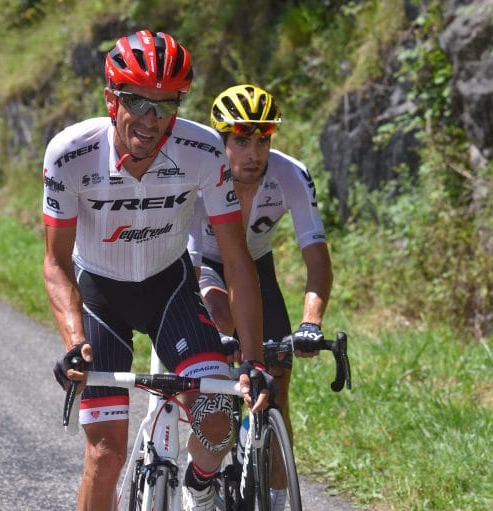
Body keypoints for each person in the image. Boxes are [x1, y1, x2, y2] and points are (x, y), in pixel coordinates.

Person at [42, 30, 270, 511]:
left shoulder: (203, 150)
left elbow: (234, 258)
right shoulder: (70, 154)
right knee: (106, 455)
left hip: (171, 291)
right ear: (111, 99)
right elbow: (57, 262)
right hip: (101, 297)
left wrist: (252, 360)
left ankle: (198, 485)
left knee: (216, 422)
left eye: (167, 105)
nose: (152, 120)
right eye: (138, 103)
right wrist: (72, 340)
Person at [188, 84, 333, 508]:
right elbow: (192, 263)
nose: (254, 153)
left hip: (257, 269)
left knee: (277, 387)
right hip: (206, 266)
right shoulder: (202, 175)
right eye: (242, 141)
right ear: (222, 141)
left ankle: (275, 495)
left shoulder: (289, 173)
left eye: (263, 140)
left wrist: (311, 323)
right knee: (221, 320)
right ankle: (210, 455)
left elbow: (318, 260)